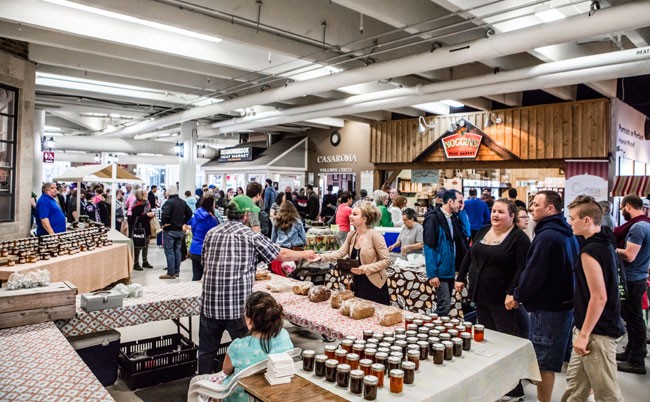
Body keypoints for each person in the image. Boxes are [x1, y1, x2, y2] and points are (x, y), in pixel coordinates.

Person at [198, 196, 313, 374]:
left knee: (206, 352)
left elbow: (204, 263)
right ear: (245, 216)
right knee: (248, 351)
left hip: (209, 305)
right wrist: (306, 254)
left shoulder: (212, 233)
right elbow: (280, 254)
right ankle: (245, 388)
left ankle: (204, 388)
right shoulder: (251, 236)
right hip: (237, 308)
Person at [456, 199, 531, 400]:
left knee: (507, 342)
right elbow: (469, 255)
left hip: (504, 298)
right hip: (481, 294)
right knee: (488, 339)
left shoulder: (519, 238)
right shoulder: (484, 230)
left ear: (512, 216)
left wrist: (512, 292)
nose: (495, 215)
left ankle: (515, 388)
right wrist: (461, 277)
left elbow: (522, 267)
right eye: (493, 211)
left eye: (501, 212)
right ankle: (495, 381)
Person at [512, 191, 579, 402]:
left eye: (536, 204)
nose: (531, 208)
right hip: (563, 305)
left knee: (544, 363)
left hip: (550, 308)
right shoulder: (565, 232)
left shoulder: (547, 236)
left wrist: (518, 295)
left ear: (550, 209)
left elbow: (535, 273)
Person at [561, 195, 625, 402]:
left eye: (572, 218)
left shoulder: (590, 251)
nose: (570, 222)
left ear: (587, 220)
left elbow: (599, 297)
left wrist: (584, 334)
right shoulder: (606, 240)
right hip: (589, 329)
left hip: (597, 333)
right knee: (575, 388)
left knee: (607, 393)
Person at [205, 291, 295, 402]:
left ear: (249, 320)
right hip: (275, 393)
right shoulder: (284, 335)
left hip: (242, 397)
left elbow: (226, 371)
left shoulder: (238, 347)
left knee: (204, 385)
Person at [311, 202, 391, 305]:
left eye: (355, 214)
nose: (350, 216)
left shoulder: (375, 236)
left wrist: (365, 269)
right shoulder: (352, 235)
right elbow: (340, 253)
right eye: (351, 214)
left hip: (374, 284)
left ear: (364, 219)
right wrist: (321, 257)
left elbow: (386, 260)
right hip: (358, 281)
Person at [614, 194, 650, 374]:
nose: (621, 212)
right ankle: (631, 352)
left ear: (628, 206)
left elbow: (629, 255)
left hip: (632, 279)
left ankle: (637, 360)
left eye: (621, 208)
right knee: (633, 319)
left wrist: (611, 249)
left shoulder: (637, 227)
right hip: (637, 277)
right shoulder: (645, 224)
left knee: (634, 320)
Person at [423, 189, 469, 316]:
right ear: (450, 201)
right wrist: (432, 273)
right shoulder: (433, 218)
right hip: (440, 270)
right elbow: (429, 246)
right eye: (459, 202)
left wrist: (462, 211)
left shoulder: (453, 218)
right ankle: (432, 331)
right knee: (443, 306)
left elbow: (467, 232)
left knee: (445, 305)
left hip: (450, 269)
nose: (461, 204)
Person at [160, 185, 193, 279]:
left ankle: (170, 273)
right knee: (177, 251)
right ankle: (177, 271)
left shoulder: (169, 203)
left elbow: (165, 214)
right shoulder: (183, 202)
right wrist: (184, 222)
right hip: (180, 230)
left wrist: (164, 223)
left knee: (169, 251)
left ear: (169, 192)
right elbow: (189, 213)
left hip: (170, 230)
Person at [185, 195, 219, 281]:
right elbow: (216, 234)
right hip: (206, 250)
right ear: (211, 205)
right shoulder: (211, 219)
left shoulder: (195, 215)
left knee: (196, 277)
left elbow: (190, 225)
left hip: (194, 249)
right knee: (209, 278)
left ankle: (192, 293)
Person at [128, 189, 155, 270]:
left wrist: (150, 215)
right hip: (138, 228)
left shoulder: (147, 204)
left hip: (146, 227)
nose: (146, 194)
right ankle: (136, 263)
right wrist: (147, 215)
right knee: (138, 246)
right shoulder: (136, 205)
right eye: (145, 193)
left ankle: (145, 261)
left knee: (146, 245)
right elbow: (136, 218)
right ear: (141, 195)